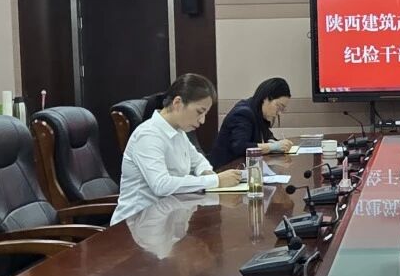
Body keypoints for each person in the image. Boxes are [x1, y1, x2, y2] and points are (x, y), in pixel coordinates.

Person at [111, 73, 240, 225]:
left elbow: (199, 161)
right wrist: (215, 180)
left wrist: (206, 172)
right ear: (177, 102)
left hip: (167, 218)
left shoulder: (178, 132)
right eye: (200, 112)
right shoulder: (148, 135)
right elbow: (161, 185)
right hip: (135, 225)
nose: (202, 120)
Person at [211, 77, 295, 168]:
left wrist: (278, 143)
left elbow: (268, 137)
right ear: (266, 98)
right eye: (279, 106)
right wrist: (272, 147)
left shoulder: (258, 112)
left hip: (245, 167)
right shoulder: (243, 113)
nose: (279, 113)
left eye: (283, 109)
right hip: (226, 168)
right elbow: (240, 147)